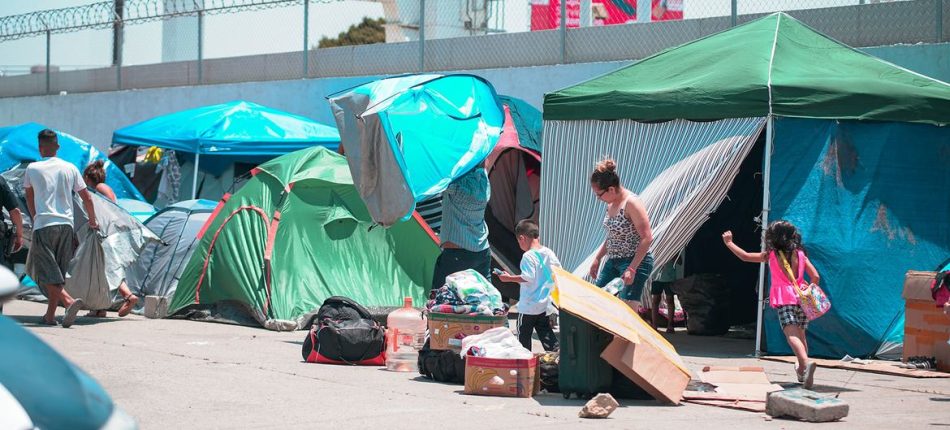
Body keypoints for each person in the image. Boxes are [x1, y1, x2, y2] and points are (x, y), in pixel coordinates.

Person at [722, 221, 820, 388]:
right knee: (801, 335)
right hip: (802, 299)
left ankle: (805, 363)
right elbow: (815, 277)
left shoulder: (771, 255)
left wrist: (729, 243)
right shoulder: (801, 255)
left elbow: (745, 256)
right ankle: (802, 370)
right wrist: (807, 288)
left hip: (785, 298)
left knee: (791, 335)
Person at [24, 129, 99, 328]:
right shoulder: (71, 168)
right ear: (57, 146)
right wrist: (92, 221)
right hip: (66, 226)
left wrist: (34, 218)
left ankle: (67, 301)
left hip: (44, 224)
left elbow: (28, 197)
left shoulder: (32, 168)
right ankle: (50, 316)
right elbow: (87, 198)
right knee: (57, 270)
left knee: (46, 272)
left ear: (40, 147)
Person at [588, 159, 654, 308]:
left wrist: (632, 268)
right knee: (597, 300)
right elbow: (612, 236)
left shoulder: (631, 203)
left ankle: (627, 332)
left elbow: (647, 237)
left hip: (634, 261)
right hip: (614, 260)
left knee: (627, 310)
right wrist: (598, 258)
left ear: (611, 189)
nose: (598, 199)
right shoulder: (610, 203)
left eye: (599, 195)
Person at [82, 160, 139, 318]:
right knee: (102, 269)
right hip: (108, 232)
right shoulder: (103, 188)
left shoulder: (100, 188)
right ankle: (99, 308)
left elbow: (111, 209)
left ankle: (128, 296)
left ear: (87, 177)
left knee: (107, 268)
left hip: (106, 233)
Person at [497, 219, 560, 352]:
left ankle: (525, 363)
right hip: (544, 305)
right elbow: (558, 272)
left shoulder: (528, 256)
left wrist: (508, 278)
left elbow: (528, 278)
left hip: (528, 306)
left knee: (523, 337)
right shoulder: (548, 252)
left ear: (522, 238)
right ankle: (558, 360)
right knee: (547, 335)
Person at [430, 165, 491, 292]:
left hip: (457, 252)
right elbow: (484, 163)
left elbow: (434, 179)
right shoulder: (485, 182)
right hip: (482, 250)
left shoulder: (457, 184)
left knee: (441, 299)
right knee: (484, 299)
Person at [651, 252, 683, 334]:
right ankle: (654, 325)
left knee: (670, 300)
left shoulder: (673, 248)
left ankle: (670, 325)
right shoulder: (658, 247)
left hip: (669, 277)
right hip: (656, 276)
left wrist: (673, 255)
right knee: (656, 300)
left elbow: (680, 262)